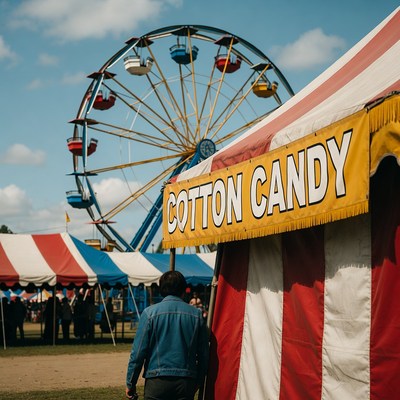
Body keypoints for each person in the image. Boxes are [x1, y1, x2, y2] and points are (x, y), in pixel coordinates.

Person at [126, 271, 209, 400]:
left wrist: (131, 383)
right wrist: (199, 380)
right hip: (186, 381)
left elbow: (138, 353)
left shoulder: (149, 313)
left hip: (156, 380)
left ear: (161, 289)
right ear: (183, 289)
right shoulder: (196, 315)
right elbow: (204, 354)